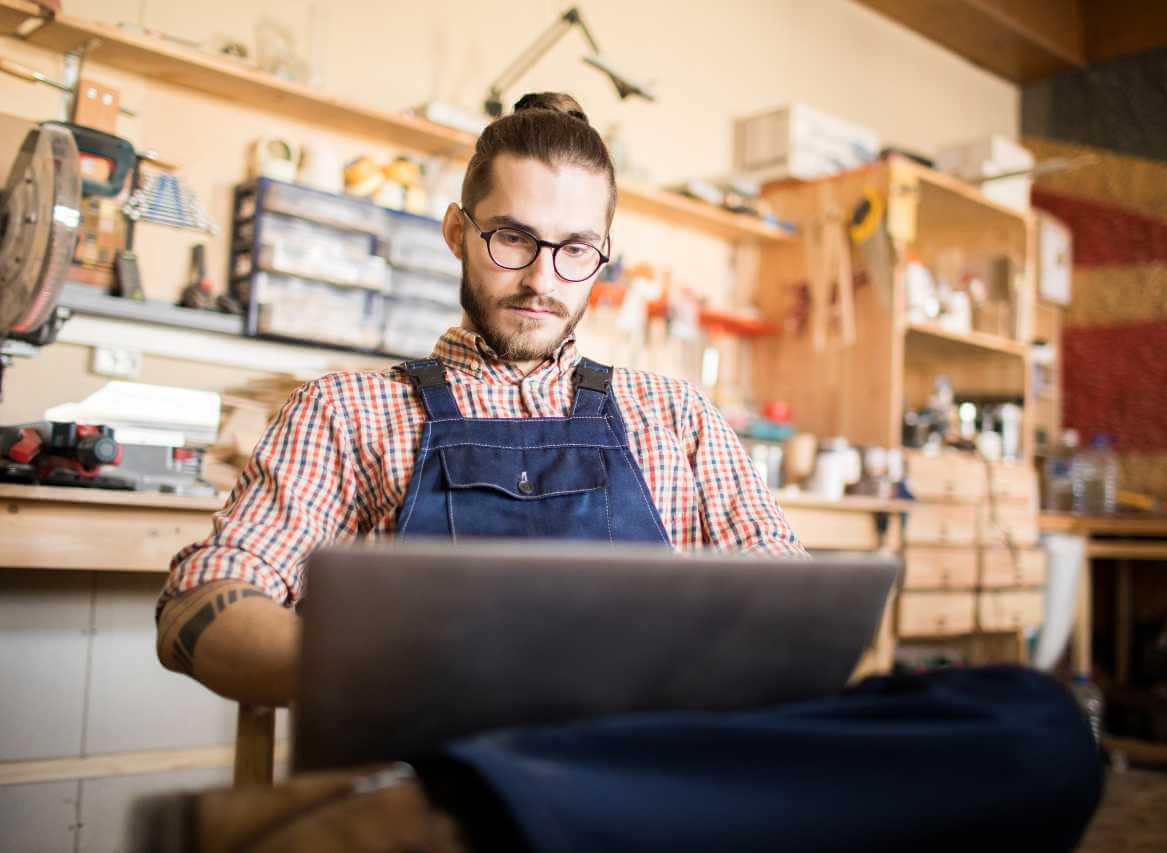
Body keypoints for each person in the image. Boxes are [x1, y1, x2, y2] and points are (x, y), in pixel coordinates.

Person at [151, 93, 1101, 852]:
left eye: (575, 251)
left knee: (1036, 720)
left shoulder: (674, 415)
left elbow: (788, 600)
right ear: (456, 232)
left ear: (602, 257)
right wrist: (401, 674)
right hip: (462, 761)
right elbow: (202, 602)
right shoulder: (349, 410)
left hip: (669, 763)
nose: (541, 278)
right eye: (512, 239)